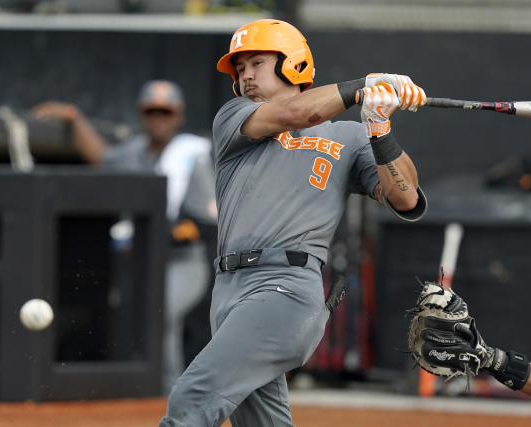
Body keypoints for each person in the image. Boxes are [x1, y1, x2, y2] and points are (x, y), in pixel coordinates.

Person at [159, 19, 427, 426]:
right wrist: (361, 86)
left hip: (284, 289)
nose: (245, 74)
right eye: (240, 68)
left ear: (293, 64)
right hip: (228, 291)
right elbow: (298, 113)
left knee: (191, 400)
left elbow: (405, 196)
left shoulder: (349, 136)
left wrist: (380, 129)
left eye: (257, 63)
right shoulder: (234, 117)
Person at [32, 80, 218, 394]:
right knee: (132, 323)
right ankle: (141, 392)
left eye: (165, 111)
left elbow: (210, 218)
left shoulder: (192, 154)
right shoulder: (134, 152)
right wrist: (74, 118)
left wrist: (178, 231)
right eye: (151, 111)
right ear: (142, 115)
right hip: (141, 258)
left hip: (182, 260)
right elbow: (102, 159)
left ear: (179, 116)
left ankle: (172, 390)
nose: (158, 117)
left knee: (163, 313)